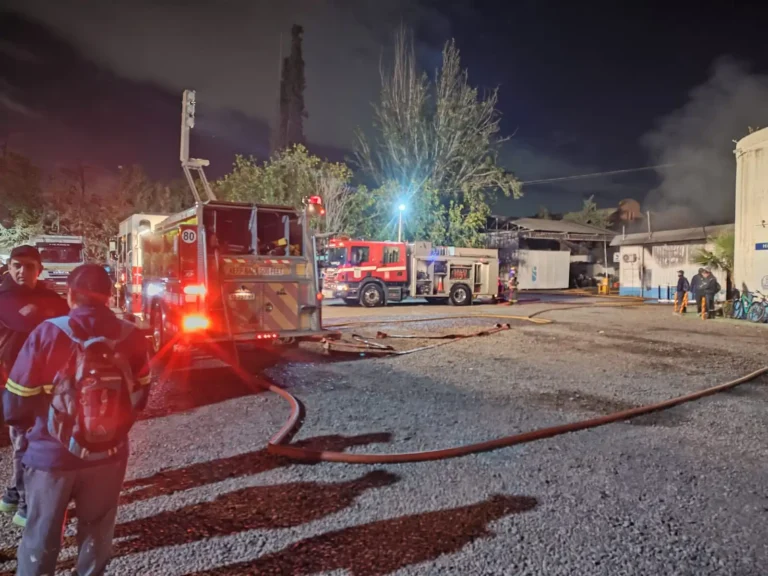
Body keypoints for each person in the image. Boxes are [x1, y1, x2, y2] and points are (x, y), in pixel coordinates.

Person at [3, 264, 152, 576]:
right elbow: (140, 398)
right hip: (109, 455)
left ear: (70, 295)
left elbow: (15, 408)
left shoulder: (48, 332)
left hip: (51, 456)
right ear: (109, 296)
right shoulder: (133, 335)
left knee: (42, 533)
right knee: (97, 531)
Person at [0, 246, 68, 527]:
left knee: (39, 441)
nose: (22, 271)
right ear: (8, 267)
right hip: (13, 385)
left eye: (29, 266)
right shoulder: (2, 300)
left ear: (39, 270)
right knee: (23, 442)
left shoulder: (52, 300)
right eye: (17, 265)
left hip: (48, 386)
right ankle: (26, 500)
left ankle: (16, 492)